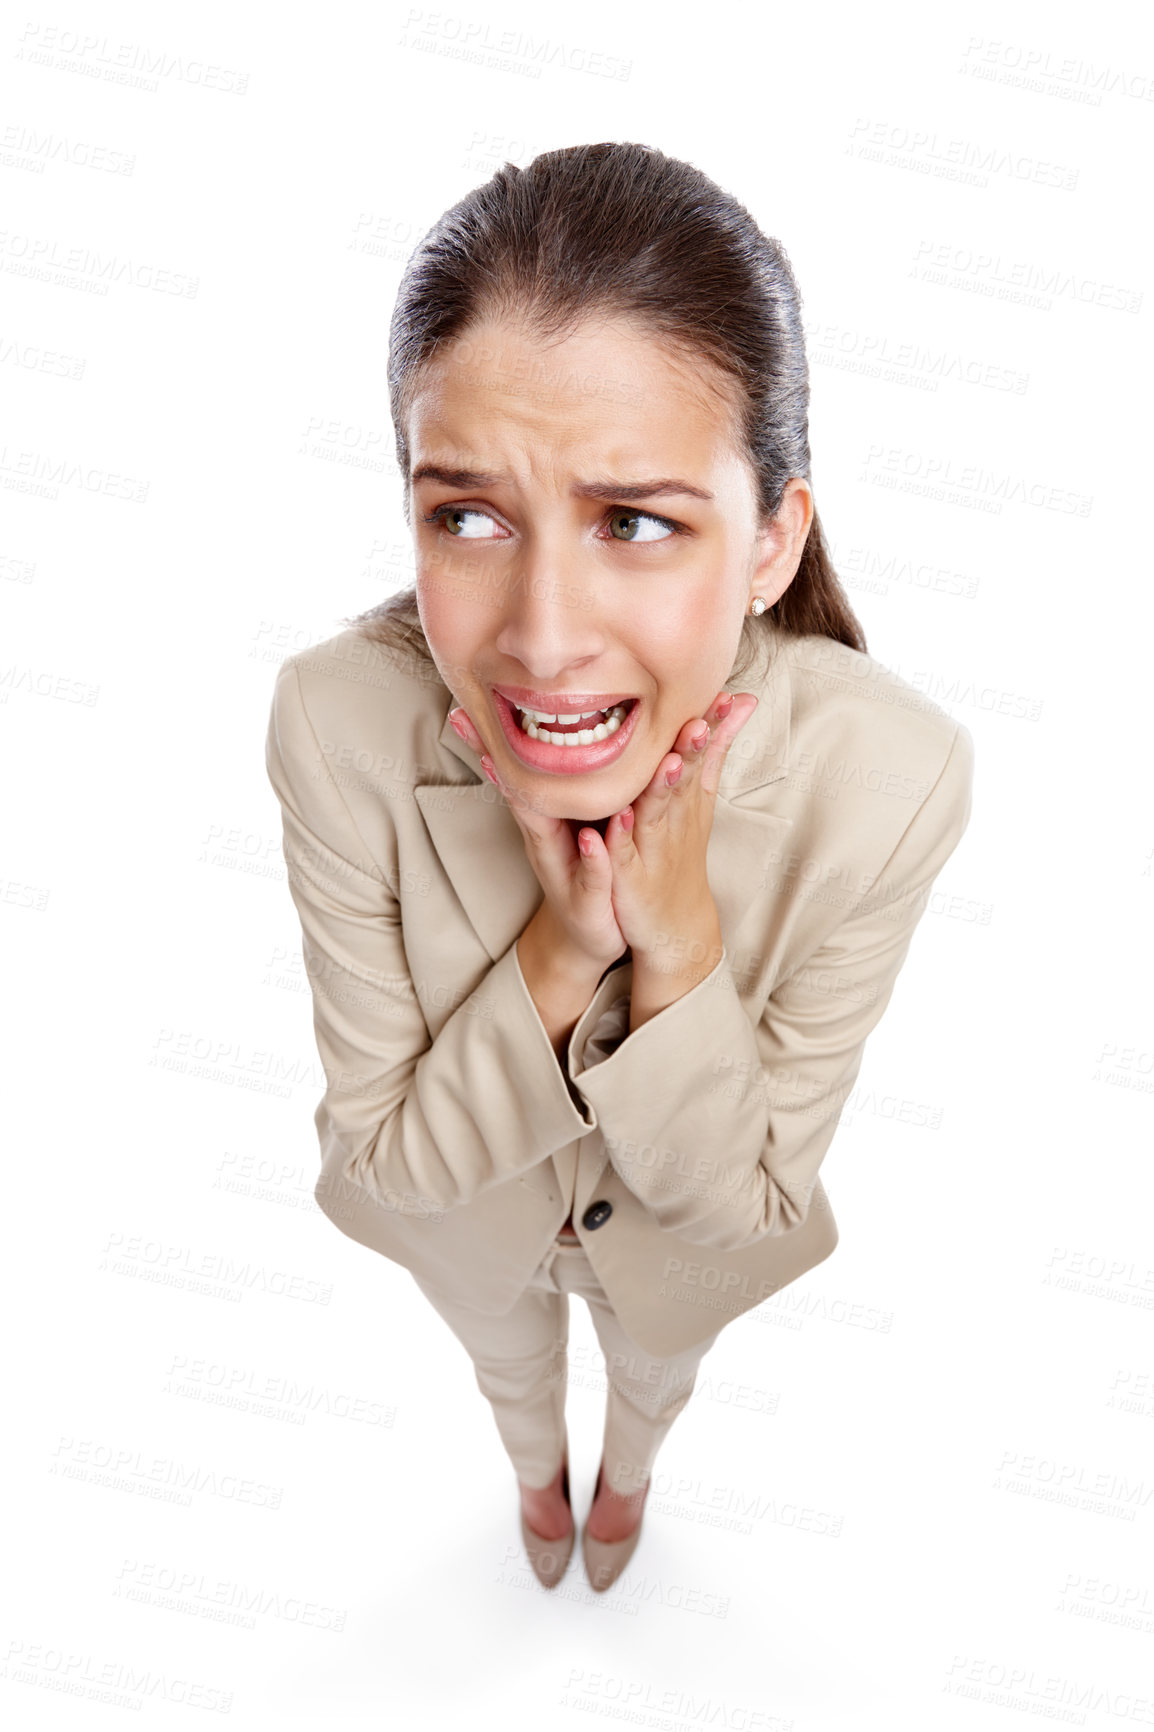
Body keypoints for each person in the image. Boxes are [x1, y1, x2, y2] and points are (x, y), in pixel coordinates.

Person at [263, 141, 975, 1594]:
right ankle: (537, 1469)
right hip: (473, 1234)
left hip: (672, 1261)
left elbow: (745, 1210)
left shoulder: (889, 779)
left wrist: (680, 945)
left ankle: (628, 1473)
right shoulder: (334, 722)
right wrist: (567, 950)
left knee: (655, 1368)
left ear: (773, 539)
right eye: (466, 515)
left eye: (634, 521)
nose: (539, 634)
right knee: (505, 1361)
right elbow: (392, 1165)